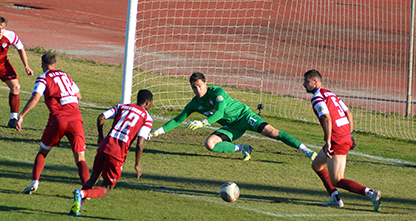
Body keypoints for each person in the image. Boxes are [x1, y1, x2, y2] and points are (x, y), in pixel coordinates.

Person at [150, 72, 315, 161]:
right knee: (210, 144)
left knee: (272, 133)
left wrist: (203, 123)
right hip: (232, 127)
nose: (198, 90)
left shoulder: (217, 93)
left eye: (200, 86)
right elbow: (178, 119)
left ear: (205, 84)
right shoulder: (195, 103)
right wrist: (155, 133)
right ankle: (243, 148)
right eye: (194, 87)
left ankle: (306, 151)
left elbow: (220, 112)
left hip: (244, 116)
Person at [303, 69, 381, 211]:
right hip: (344, 135)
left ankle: (371, 193)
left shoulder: (317, 98)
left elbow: (327, 117)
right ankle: (335, 198)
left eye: (306, 81)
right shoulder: (331, 94)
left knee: (337, 179)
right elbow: (348, 113)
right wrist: (350, 134)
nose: (304, 84)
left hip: (336, 139)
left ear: (315, 82)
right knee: (317, 165)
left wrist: (328, 141)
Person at [70, 89, 154, 216]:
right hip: (117, 152)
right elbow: (140, 143)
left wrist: (100, 136)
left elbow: (101, 117)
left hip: (104, 145)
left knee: (93, 177)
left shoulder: (122, 106)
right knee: (107, 188)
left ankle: (75, 208)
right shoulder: (147, 118)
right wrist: (137, 164)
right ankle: (82, 194)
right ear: (148, 103)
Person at [16, 53, 90, 194]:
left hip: (58, 119)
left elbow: (35, 97)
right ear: (56, 64)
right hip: (75, 118)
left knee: (43, 151)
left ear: (42, 65)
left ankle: (35, 182)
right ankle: (87, 190)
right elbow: (79, 95)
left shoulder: (43, 78)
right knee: (80, 158)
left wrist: (21, 115)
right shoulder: (65, 75)